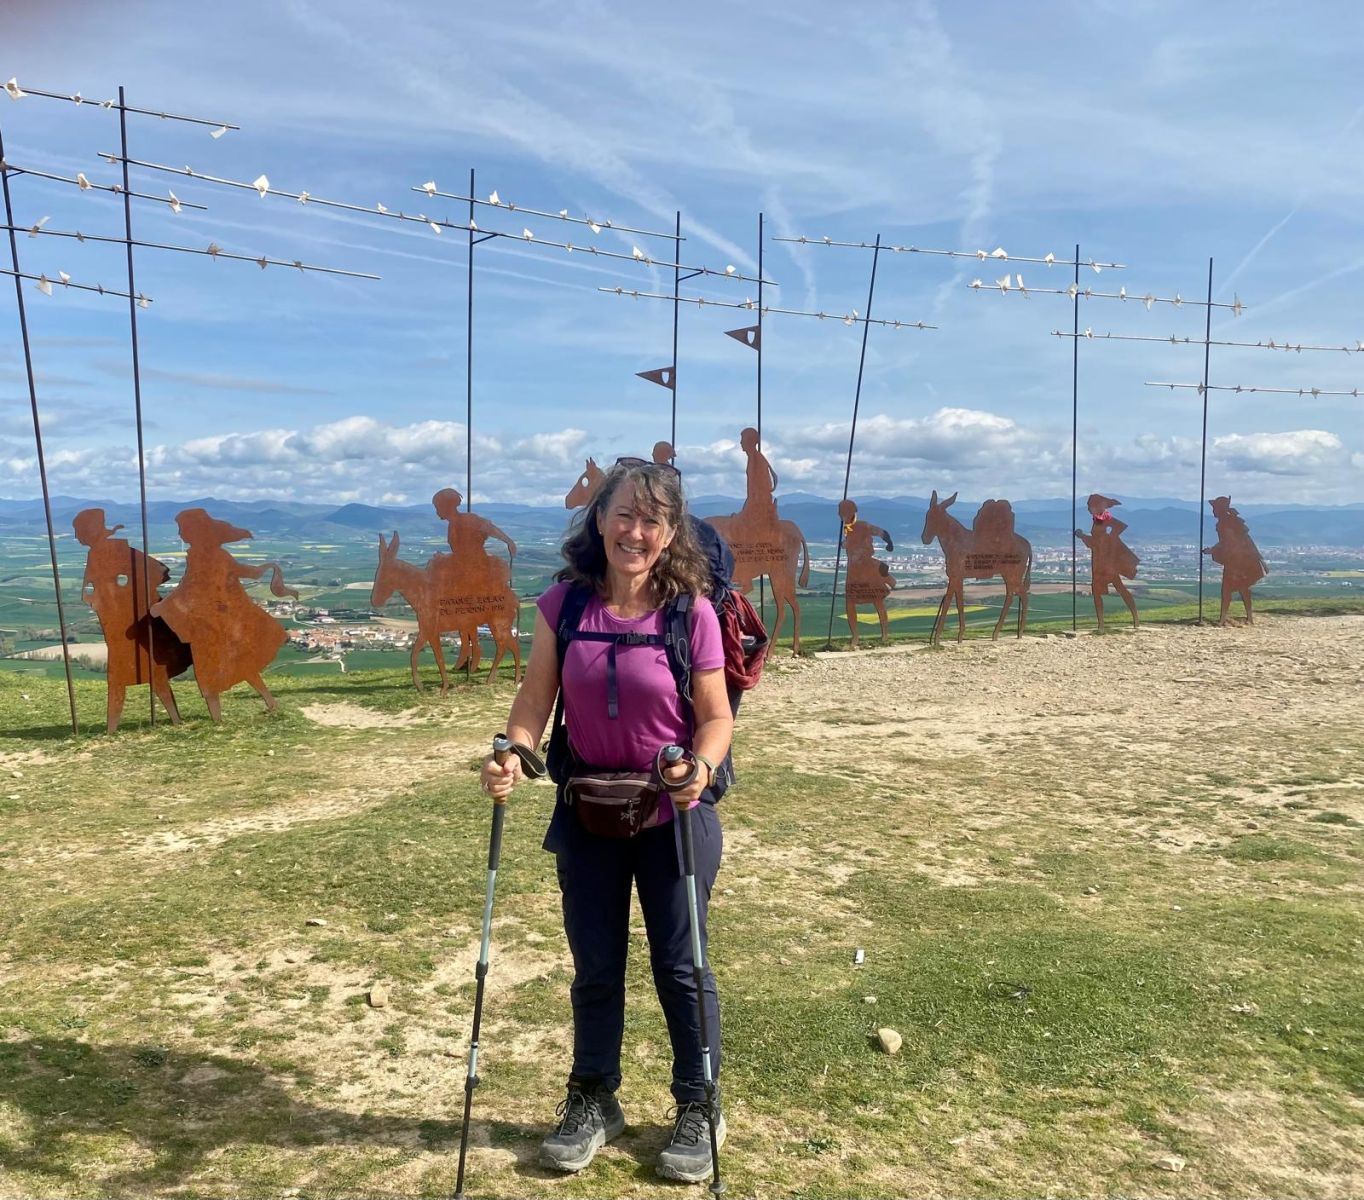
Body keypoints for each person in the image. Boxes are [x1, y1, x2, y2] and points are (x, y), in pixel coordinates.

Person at [480, 460, 733, 1183]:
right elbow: (535, 703)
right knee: (596, 966)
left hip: (673, 813)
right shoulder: (562, 606)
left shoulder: (693, 613)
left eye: (653, 519)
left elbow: (715, 718)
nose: (636, 530)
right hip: (587, 808)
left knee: (681, 967)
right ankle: (593, 1097)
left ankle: (699, 1102)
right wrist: (512, 753)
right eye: (624, 513)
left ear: (670, 533)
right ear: (599, 520)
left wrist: (702, 771)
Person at [73, 507, 192, 732]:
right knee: (138, 673)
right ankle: (121, 726)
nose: (77, 536)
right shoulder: (98, 554)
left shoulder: (118, 550)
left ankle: (115, 728)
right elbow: (88, 592)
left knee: (140, 672)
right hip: (117, 625)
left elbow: (160, 572)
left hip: (133, 623)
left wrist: (126, 596)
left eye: (78, 530)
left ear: (90, 530)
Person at [1075, 493, 1140, 630]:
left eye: (1089, 506)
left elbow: (1115, 529)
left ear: (1096, 506)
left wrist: (1108, 539)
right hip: (1100, 560)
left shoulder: (1104, 519)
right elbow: (1097, 541)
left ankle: (1104, 624)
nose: (1088, 509)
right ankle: (1125, 620)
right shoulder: (1098, 520)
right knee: (1116, 589)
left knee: (1109, 590)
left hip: (1103, 563)